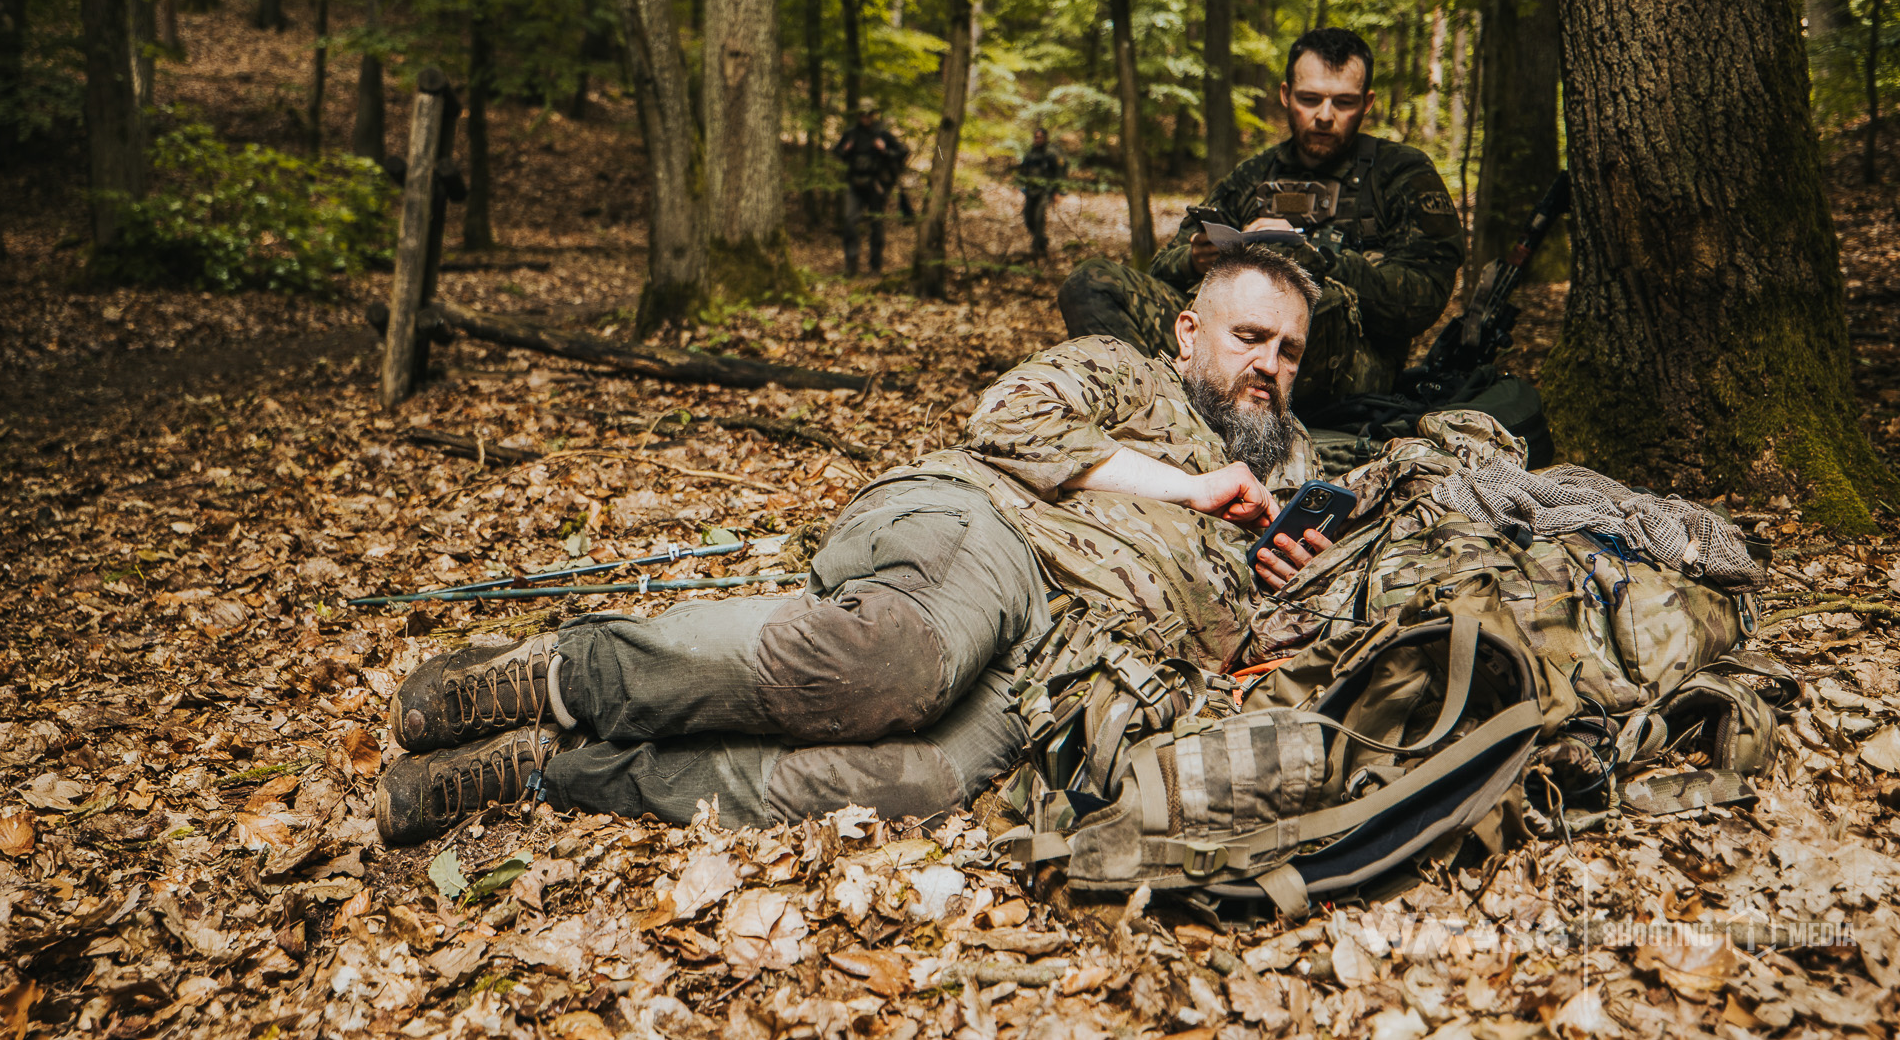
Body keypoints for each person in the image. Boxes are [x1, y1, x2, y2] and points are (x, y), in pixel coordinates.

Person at [374, 248, 1334, 843]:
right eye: (1251, 336)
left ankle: (552, 764)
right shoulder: (1125, 372)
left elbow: (1296, 635)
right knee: (890, 663)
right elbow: (1006, 421)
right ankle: (558, 673)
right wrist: (1190, 486)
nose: (1268, 366)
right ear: (1187, 331)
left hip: (1075, 658)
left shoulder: (1294, 468)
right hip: (993, 528)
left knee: (914, 784)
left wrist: (1287, 581)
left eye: (1288, 352)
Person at [1058, 28, 1465, 417]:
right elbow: (1163, 266)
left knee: (1295, 309)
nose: (1324, 116)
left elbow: (1424, 297)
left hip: (1349, 360)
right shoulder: (1253, 175)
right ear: (1286, 96)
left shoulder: (1402, 174)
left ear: (1367, 102)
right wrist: (1196, 260)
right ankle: (1152, 415)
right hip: (1235, 341)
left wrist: (1315, 260)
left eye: (1343, 102)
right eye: (1310, 99)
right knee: (1093, 283)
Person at [831, 99, 910, 276]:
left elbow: (903, 152)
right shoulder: (851, 133)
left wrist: (884, 151)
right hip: (854, 183)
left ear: (873, 115)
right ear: (859, 115)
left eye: (868, 114)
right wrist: (845, 150)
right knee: (850, 220)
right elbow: (836, 151)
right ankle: (851, 266)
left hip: (876, 185)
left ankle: (876, 266)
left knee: (876, 223)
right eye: (862, 114)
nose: (865, 117)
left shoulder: (882, 134)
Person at [1016, 128, 1066, 262]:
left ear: (1045, 138)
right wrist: (1022, 185)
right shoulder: (1030, 154)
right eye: (1036, 137)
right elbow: (1023, 171)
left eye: (1040, 137)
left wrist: (1057, 192)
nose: (1037, 140)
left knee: (1039, 217)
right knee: (1028, 217)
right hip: (1031, 191)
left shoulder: (1051, 154)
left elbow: (1059, 173)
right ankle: (1041, 239)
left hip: (1045, 191)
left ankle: (1038, 248)